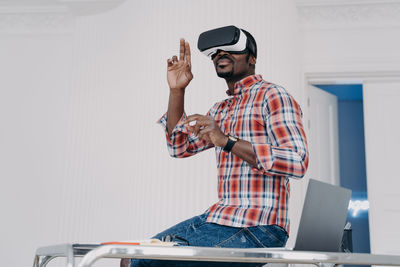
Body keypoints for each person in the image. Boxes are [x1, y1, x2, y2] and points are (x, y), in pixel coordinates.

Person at [121, 26, 309, 267]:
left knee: (142, 263)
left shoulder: (273, 96)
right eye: (215, 53)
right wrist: (177, 91)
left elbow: (297, 161)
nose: (221, 54)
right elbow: (179, 148)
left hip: (259, 228)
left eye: (231, 50)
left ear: (252, 58)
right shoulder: (221, 109)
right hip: (220, 217)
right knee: (129, 258)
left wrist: (227, 141)